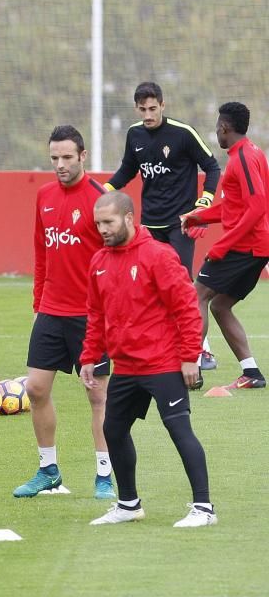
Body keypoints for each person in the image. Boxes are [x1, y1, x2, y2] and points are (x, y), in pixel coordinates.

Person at [81, 191, 216, 528]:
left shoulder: (158, 255)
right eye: (98, 224)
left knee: (178, 428)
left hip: (163, 362)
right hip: (126, 366)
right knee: (113, 428)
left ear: (128, 219)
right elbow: (96, 314)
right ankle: (128, 504)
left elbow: (187, 307)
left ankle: (204, 508)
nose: (103, 230)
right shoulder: (98, 261)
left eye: (108, 222)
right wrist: (89, 357)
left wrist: (189, 357)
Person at [14, 125, 114, 501]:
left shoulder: (100, 199)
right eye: (54, 157)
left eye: (67, 158)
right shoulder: (44, 195)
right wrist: (39, 302)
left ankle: (105, 475)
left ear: (83, 156)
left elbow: (115, 256)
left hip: (90, 317)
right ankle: (48, 470)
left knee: (97, 397)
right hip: (51, 312)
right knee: (35, 389)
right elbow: (42, 251)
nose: (60, 164)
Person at [105, 82, 221, 370]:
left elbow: (212, 166)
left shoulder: (182, 134)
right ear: (136, 108)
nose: (148, 114)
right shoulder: (135, 134)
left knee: (182, 286)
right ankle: (159, 346)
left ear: (163, 105)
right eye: (142, 109)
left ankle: (201, 350)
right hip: (150, 225)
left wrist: (205, 201)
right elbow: (127, 171)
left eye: (153, 108)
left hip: (180, 223)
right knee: (150, 287)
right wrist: (102, 190)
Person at [180, 101, 269, 389]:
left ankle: (192, 371)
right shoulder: (252, 152)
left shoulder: (243, 158)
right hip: (256, 246)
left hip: (248, 247)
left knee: (198, 294)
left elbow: (257, 207)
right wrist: (197, 217)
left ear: (224, 127)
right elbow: (235, 207)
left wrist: (222, 246)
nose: (216, 132)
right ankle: (251, 372)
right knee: (219, 305)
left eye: (217, 128)